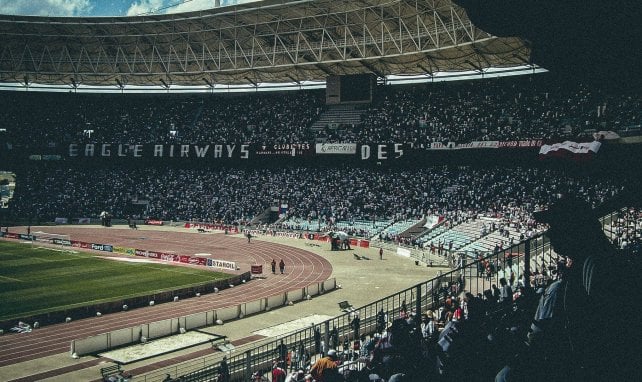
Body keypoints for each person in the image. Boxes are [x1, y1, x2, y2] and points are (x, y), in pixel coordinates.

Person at [496, 195, 639, 381]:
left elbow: (602, 338)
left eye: (555, 226)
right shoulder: (590, 262)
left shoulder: (597, 266)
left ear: (574, 229)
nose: (549, 233)